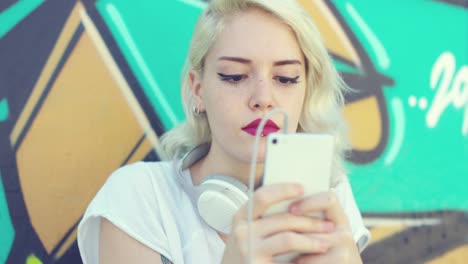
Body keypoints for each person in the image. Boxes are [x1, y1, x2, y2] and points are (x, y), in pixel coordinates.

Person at [77, 0, 371, 263]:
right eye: (235, 76)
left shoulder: (328, 194)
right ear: (198, 90)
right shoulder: (138, 196)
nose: (263, 97)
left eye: (285, 78)